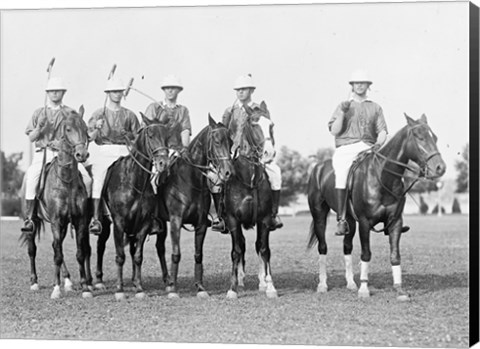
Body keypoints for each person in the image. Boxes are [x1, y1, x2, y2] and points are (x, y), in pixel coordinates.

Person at [210, 74, 283, 233]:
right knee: (216, 178)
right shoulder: (230, 110)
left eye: (243, 89)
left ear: (251, 90)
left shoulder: (259, 109)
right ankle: (221, 218)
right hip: (234, 154)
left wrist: (268, 150)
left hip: (256, 155)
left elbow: (267, 130)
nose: (240, 92)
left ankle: (273, 215)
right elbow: (224, 133)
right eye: (238, 90)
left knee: (275, 174)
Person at [22, 77, 92, 233]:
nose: (54, 93)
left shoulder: (70, 112)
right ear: (47, 93)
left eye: (57, 91)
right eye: (51, 91)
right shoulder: (39, 112)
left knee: (87, 179)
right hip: (44, 153)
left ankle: (87, 217)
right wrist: (39, 128)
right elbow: (31, 137)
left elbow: (82, 134)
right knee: (31, 178)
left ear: (63, 93)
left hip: (66, 155)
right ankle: (29, 218)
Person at [328, 70, 388, 236]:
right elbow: (334, 130)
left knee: (390, 171)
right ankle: (341, 219)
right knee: (341, 174)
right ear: (352, 86)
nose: (360, 85)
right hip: (347, 148)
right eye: (357, 83)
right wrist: (341, 113)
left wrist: (378, 143)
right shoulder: (343, 106)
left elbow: (382, 130)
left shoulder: (375, 107)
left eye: (363, 83)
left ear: (368, 86)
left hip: (369, 146)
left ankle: (392, 218)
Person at [88, 78, 140, 235]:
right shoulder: (98, 113)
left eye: (120, 91)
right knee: (97, 180)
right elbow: (90, 137)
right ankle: (96, 219)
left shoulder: (130, 115)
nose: (117, 94)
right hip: (104, 151)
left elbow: (138, 138)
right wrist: (97, 127)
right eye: (114, 91)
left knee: (144, 178)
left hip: (126, 151)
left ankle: (149, 218)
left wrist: (129, 135)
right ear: (108, 93)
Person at [144, 75, 192, 155]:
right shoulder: (154, 107)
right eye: (167, 88)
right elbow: (146, 130)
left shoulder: (183, 110)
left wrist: (185, 148)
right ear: (164, 90)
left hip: (176, 151)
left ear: (178, 90)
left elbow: (185, 131)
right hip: (157, 152)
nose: (170, 91)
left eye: (173, 88)